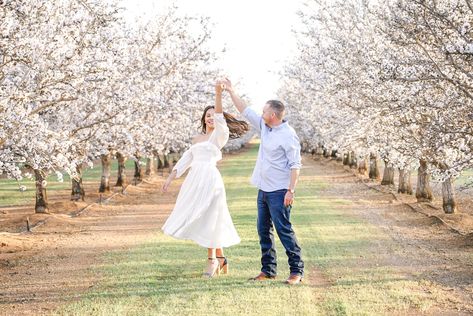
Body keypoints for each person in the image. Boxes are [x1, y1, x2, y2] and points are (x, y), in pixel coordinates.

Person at [161, 81, 249, 278]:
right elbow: (185, 160)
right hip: (194, 180)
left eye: (213, 115)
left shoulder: (220, 135)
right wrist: (170, 178)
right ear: (203, 119)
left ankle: (212, 261)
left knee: (210, 215)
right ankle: (221, 257)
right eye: (207, 116)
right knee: (203, 216)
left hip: (210, 179)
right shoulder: (197, 139)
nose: (211, 118)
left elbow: (219, 117)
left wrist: (218, 94)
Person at [221, 78, 304, 285]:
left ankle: (296, 271)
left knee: (284, 230)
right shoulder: (265, 127)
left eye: (264, 111)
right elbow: (245, 110)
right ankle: (268, 270)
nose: (261, 113)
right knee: (263, 230)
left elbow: (295, 165)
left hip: (279, 191)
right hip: (264, 190)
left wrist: (290, 191)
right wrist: (231, 91)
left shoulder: (288, 135)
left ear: (273, 115)